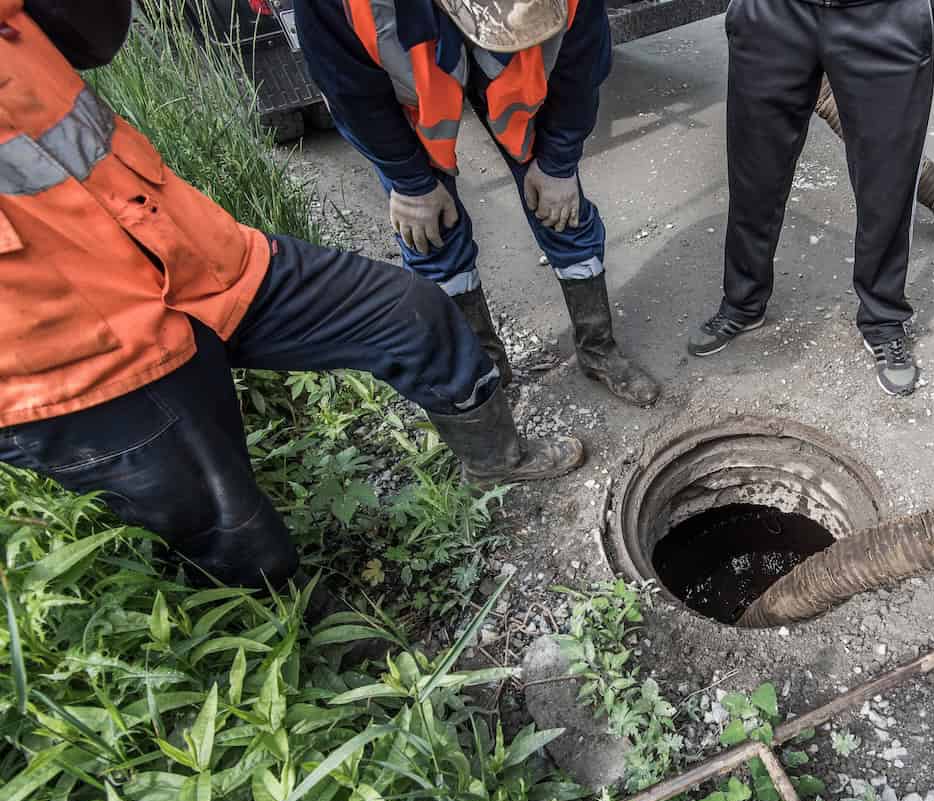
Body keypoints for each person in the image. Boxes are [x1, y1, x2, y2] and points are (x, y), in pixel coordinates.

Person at [0, 0, 585, 593]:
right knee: (232, 530)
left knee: (412, 313)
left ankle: (495, 462)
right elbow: (348, 82)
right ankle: (305, 637)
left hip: (195, 257)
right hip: (74, 361)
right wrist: (411, 181)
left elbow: (94, 41)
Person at [296, 0, 660, 408]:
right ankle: (485, 375)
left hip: (512, 71)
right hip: (406, 82)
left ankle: (598, 349)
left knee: (562, 210)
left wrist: (559, 161)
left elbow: (583, 56)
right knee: (432, 232)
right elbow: (348, 89)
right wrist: (410, 181)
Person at [685, 0, 934, 397]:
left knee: (887, 179)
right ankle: (743, 301)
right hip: (773, 13)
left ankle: (884, 317)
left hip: (884, 16)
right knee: (754, 169)